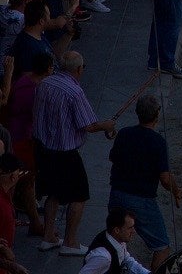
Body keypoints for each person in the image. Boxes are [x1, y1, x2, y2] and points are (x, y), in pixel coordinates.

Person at [33, 51, 115, 256]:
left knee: (53, 193)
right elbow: (88, 124)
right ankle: (70, 241)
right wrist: (106, 125)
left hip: (44, 149)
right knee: (79, 195)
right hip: (65, 152)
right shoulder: (74, 92)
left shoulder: (45, 83)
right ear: (78, 69)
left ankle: (48, 236)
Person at [107, 95, 182, 271]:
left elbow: (113, 158)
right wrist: (176, 191)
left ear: (137, 113)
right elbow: (165, 178)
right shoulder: (158, 142)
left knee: (116, 241)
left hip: (117, 195)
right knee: (161, 246)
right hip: (142, 201)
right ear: (157, 115)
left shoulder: (124, 133)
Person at [78, 209, 152, 274]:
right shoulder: (103, 257)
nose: (134, 231)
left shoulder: (117, 240)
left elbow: (126, 259)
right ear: (117, 230)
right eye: (130, 228)